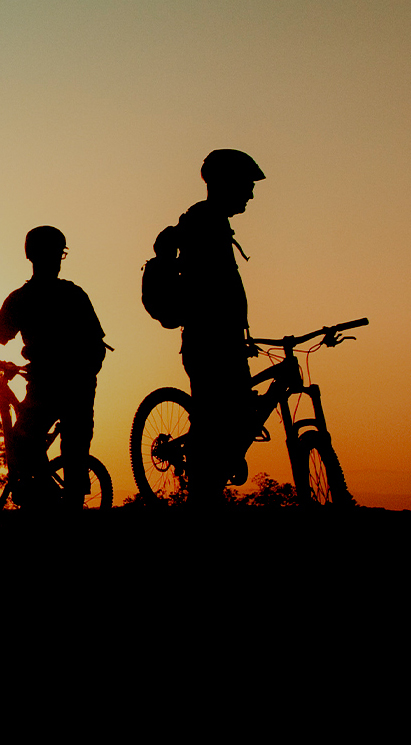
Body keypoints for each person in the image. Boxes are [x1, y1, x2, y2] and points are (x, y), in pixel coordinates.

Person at [0, 226, 107, 506]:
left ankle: (49, 501)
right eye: (57, 253)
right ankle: (57, 503)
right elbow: (97, 346)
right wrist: (86, 374)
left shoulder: (24, 298)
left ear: (29, 254)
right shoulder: (71, 295)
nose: (57, 260)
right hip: (74, 383)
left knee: (27, 441)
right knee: (69, 449)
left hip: (51, 385)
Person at [164, 149, 266, 505]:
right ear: (227, 183)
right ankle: (203, 496)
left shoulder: (210, 222)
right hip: (211, 342)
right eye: (247, 185)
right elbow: (211, 287)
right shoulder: (204, 222)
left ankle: (206, 489)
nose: (251, 194)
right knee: (221, 421)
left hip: (222, 339)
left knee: (228, 418)